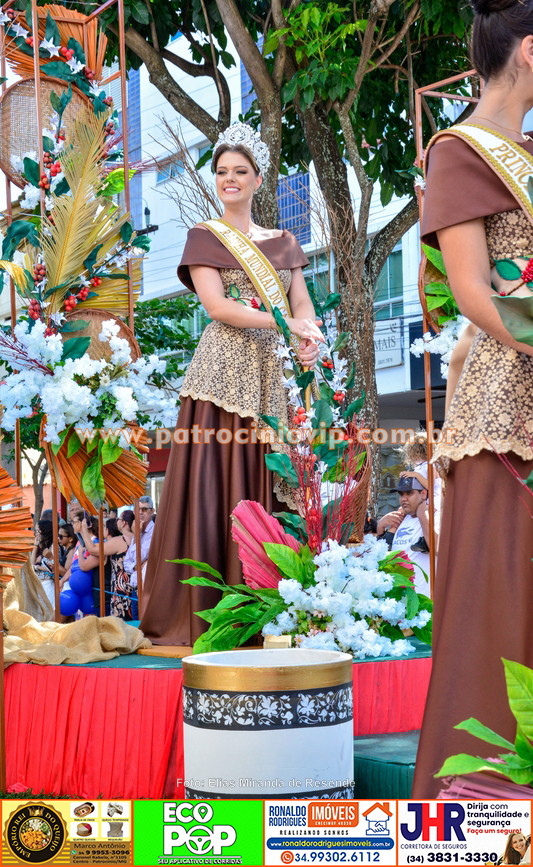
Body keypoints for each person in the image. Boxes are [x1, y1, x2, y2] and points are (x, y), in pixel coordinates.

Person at [412, 0, 533, 798]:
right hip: (505, 403)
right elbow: (467, 292)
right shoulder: (461, 152)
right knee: (502, 590)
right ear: (528, 51)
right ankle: (488, 791)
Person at [140, 122, 323, 646]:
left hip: (272, 372)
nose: (229, 180)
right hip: (221, 374)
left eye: (240, 171)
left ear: (259, 179)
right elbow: (218, 307)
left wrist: (308, 334)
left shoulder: (284, 241)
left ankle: (271, 611)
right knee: (218, 482)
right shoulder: (205, 235)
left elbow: (301, 302)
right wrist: (287, 325)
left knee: (269, 479)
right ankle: (209, 612)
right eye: (221, 171)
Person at [376, 477, 438, 595]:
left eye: (409, 493)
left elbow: (437, 548)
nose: (404, 499)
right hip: (400, 601)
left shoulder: (435, 515)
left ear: (423, 493)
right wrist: (380, 529)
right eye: (401, 494)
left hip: (425, 600)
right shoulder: (402, 518)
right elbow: (385, 556)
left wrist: (422, 516)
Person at [80, 517, 131, 619]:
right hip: (115, 593)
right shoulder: (121, 544)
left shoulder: (107, 549)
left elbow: (84, 565)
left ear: (107, 531)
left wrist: (79, 551)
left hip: (107, 596)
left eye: (104, 527)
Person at [125, 497, 155, 620]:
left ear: (152, 511)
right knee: (137, 625)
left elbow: (138, 558)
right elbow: (127, 563)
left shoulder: (154, 531)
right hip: (135, 588)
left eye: (144, 509)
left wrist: (136, 535)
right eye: (138, 509)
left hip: (148, 588)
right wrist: (136, 566)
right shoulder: (138, 530)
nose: (141, 512)